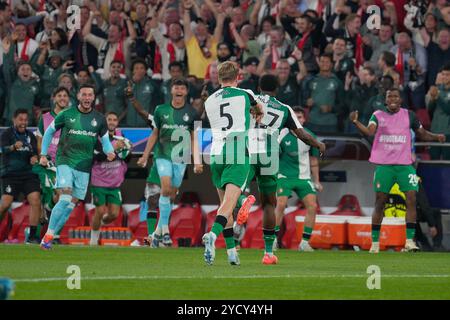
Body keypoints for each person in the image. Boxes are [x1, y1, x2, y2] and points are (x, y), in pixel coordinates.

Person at [238, 75, 325, 264]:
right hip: (270, 156)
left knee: (235, 190)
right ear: (277, 89)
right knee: (269, 204)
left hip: (248, 151)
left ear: (259, 86)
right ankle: (268, 253)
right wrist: (318, 144)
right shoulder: (285, 109)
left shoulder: (248, 99)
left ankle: (244, 200)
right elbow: (301, 134)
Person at [349, 88, 446, 253]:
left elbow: (422, 133)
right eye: (389, 96)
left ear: (400, 100)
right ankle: (375, 243)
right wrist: (356, 122)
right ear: (385, 100)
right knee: (380, 202)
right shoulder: (377, 115)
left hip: (405, 166)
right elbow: (370, 132)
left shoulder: (410, 115)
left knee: (411, 198)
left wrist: (436, 137)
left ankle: (409, 241)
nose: (392, 99)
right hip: (384, 166)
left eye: (395, 96)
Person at [39, 84, 115, 250]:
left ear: (93, 98)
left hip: (84, 166)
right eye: (84, 95)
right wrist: (43, 154)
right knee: (65, 196)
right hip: (65, 160)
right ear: (78, 97)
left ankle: (51, 236)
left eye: (90, 95)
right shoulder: (67, 114)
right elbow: (49, 132)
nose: (87, 98)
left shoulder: (100, 119)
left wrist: (110, 152)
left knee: (71, 203)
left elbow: (106, 141)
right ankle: (47, 236)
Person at [202, 61, 263, 265]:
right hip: (237, 151)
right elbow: (259, 108)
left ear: (218, 78)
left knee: (224, 206)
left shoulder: (209, 100)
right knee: (227, 207)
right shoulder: (246, 94)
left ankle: (231, 253)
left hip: (216, 153)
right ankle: (212, 235)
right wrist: (256, 114)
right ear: (238, 77)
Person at [137, 78, 203, 247]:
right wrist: (145, 155)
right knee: (165, 188)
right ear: (171, 90)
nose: (179, 90)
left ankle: (159, 232)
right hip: (162, 155)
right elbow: (154, 134)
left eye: (182, 87)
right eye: (176, 87)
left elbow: (195, 138)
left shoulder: (193, 113)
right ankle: (165, 231)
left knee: (171, 195)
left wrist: (197, 161)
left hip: (181, 159)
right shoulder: (160, 110)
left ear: (186, 92)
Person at [274, 107, 323, 252]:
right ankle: (273, 240)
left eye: (300, 117)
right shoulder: (280, 135)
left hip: (303, 178)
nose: (298, 119)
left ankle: (304, 243)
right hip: (284, 177)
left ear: (304, 119)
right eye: (295, 117)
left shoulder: (309, 135)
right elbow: (273, 158)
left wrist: (317, 181)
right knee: (281, 205)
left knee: (312, 206)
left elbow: (314, 160)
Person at [0, 108, 41, 244]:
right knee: (5, 204)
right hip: (10, 175)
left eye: (25, 120)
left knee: (35, 200)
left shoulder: (31, 136)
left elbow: (34, 153)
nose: (23, 122)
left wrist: (34, 158)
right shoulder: (7, 134)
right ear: (14, 120)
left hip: (28, 175)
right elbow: (1, 150)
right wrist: (12, 147)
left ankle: (33, 236)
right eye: (20, 120)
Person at [35, 87, 70, 244]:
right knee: (58, 195)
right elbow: (40, 139)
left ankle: (52, 229)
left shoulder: (72, 117)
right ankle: (37, 236)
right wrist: (42, 156)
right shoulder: (45, 117)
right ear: (54, 98)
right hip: (48, 163)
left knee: (62, 198)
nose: (62, 98)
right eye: (60, 95)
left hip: (64, 162)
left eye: (65, 96)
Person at [90, 112, 130, 245]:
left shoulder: (121, 137)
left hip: (114, 184)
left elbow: (125, 157)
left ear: (117, 123)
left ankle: (99, 223)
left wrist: (128, 149)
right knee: (100, 210)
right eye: (109, 120)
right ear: (104, 122)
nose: (112, 122)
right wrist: (114, 147)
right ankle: (93, 241)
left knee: (113, 214)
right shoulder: (97, 137)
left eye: (114, 119)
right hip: (99, 182)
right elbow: (97, 157)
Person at [427, 64, 450, 160]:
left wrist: (438, 98)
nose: (444, 77)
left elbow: (448, 110)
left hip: (448, 133)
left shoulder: (439, 93)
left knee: (447, 163)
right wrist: (432, 99)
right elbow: (430, 110)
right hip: (435, 131)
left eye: (447, 75)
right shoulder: (437, 89)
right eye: (443, 74)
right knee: (433, 160)